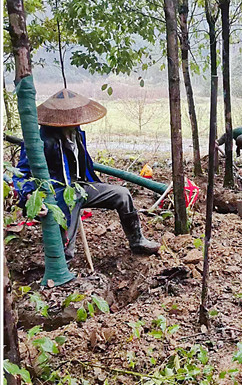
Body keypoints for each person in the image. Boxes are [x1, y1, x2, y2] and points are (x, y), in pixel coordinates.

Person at [13, 88, 159, 259]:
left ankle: (137, 241)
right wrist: (30, 196)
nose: (73, 120)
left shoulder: (77, 134)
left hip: (82, 187)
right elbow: (21, 174)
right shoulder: (39, 141)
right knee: (64, 246)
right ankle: (64, 262)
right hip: (58, 193)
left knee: (123, 194)